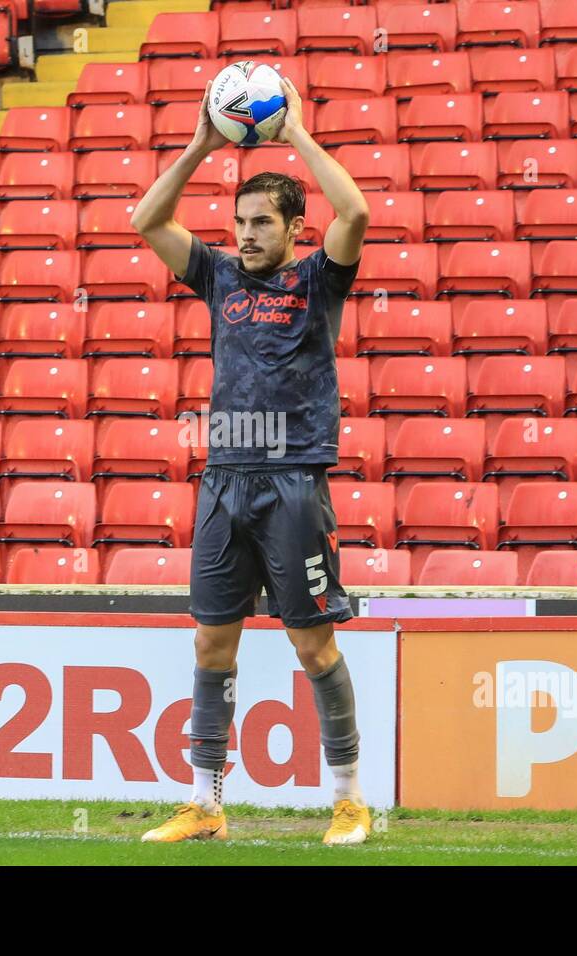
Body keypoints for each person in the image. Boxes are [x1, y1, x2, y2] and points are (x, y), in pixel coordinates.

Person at [129, 75, 372, 845]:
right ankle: (205, 805)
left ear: (295, 228)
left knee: (313, 643)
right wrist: (204, 142)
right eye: (240, 221)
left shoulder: (317, 280)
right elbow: (145, 219)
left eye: (263, 222)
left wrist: (295, 132)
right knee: (211, 639)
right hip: (224, 478)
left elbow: (358, 211)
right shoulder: (217, 275)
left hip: (295, 480)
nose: (247, 234)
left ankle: (349, 799)